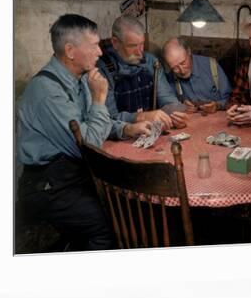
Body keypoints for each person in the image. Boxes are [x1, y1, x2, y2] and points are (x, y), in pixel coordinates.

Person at [16, 14, 151, 251]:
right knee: (109, 226)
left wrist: (126, 128)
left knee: (130, 207)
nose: (100, 52)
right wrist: (99, 98)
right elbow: (88, 144)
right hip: (48, 186)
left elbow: (93, 124)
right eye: (94, 46)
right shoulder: (47, 91)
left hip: (75, 176)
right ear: (70, 50)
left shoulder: (78, 79)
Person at [98, 15, 188, 130]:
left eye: (142, 44)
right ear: (115, 43)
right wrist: (141, 117)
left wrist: (175, 114)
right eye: (132, 46)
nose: (140, 52)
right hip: (121, 136)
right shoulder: (103, 70)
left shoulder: (151, 62)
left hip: (149, 134)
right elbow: (109, 118)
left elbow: (167, 97)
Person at [162, 37, 232, 114]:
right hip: (190, 122)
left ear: (188, 51)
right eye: (175, 68)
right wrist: (181, 107)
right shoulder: (170, 77)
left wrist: (217, 105)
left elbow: (230, 99)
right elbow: (168, 105)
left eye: (183, 63)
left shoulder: (211, 66)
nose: (182, 71)